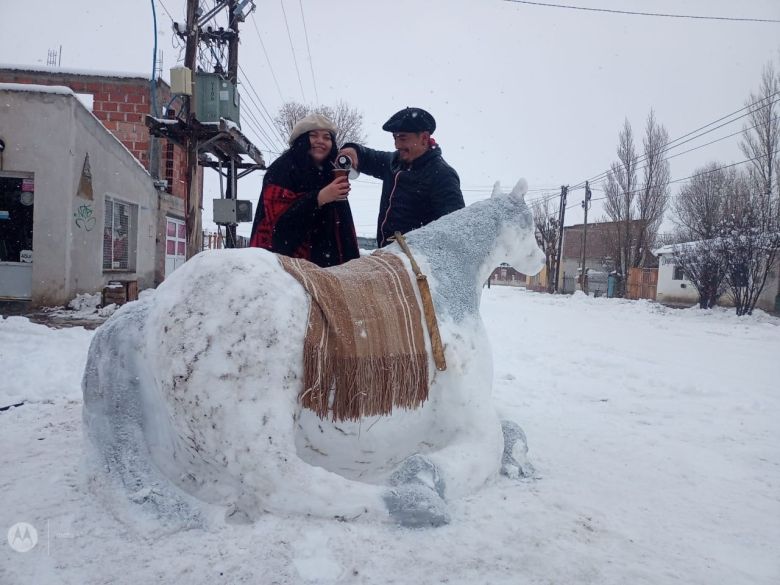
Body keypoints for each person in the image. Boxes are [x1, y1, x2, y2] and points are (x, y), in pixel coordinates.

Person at [339, 107, 464, 248]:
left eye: (403, 138)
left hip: (417, 264)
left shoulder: (443, 175)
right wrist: (353, 150)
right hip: (387, 257)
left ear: (424, 138)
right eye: (395, 137)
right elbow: (367, 156)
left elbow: (455, 230)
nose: (397, 144)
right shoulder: (393, 162)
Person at [249, 113, 360, 267]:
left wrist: (350, 264)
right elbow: (277, 227)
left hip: (329, 269)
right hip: (287, 269)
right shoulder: (282, 170)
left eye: (327, 137)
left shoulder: (334, 172)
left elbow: (343, 226)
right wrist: (319, 198)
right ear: (301, 140)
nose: (320, 141)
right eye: (313, 136)